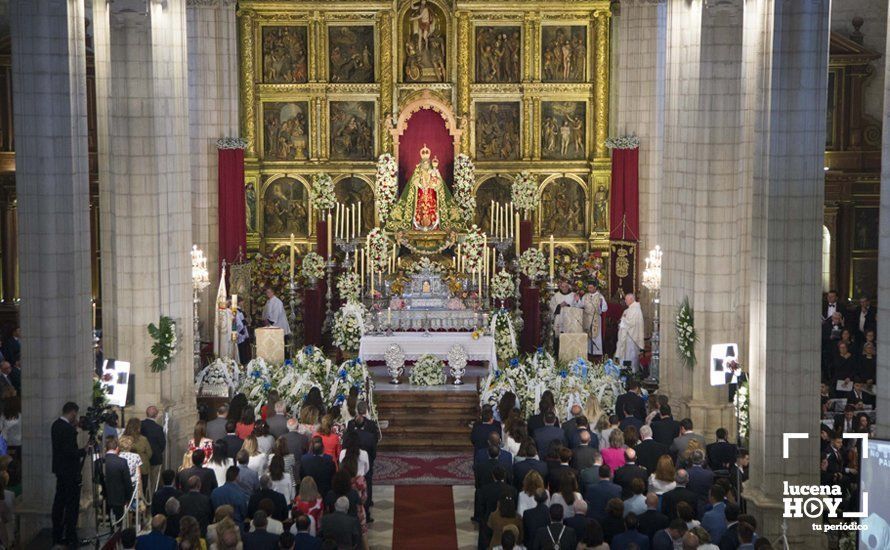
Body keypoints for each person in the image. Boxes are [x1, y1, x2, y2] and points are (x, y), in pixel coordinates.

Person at [52, 402, 85, 547]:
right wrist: (84, 450)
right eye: (75, 415)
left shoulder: (56, 425)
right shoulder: (68, 430)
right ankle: (71, 534)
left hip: (60, 470)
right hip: (70, 472)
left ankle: (57, 534)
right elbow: (71, 452)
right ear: (72, 413)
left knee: (59, 501)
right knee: (71, 505)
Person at [103, 437, 134, 523]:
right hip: (119, 497)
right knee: (119, 521)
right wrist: (129, 497)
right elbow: (127, 481)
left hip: (105, 497)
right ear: (117, 448)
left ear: (106, 448)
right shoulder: (122, 462)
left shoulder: (100, 461)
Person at [615, 293, 645, 373]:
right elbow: (623, 321)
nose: (625, 301)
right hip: (626, 337)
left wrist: (623, 320)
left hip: (631, 338)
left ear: (631, 299)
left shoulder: (636, 309)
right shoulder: (628, 310)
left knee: (630, 356)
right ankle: (624, 371)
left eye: (626, 299)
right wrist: (622, 321)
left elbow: (632, 323)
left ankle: (632, 374)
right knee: (625, 356)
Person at [142, 405, 167, 497]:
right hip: (155, 459)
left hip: (141, 459)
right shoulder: (158, 428)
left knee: (142, 481)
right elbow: (162, 444)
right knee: (153, 482)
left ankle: (143, 498)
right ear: (156, 415)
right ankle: (151, 499)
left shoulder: (140, 425)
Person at [582, 281, 609, 358]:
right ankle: (588, 351)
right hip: (587, 318)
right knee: (588, 335)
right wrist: (577, 300)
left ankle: (596, 352)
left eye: (591, 287)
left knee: (596, 336)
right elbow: (580, 305)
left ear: (595, 288)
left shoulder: (600, 297)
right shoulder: (585, 296)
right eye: (588, 287)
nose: (589, 289)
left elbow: (605, 308)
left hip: (596, 318)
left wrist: (600, 306)